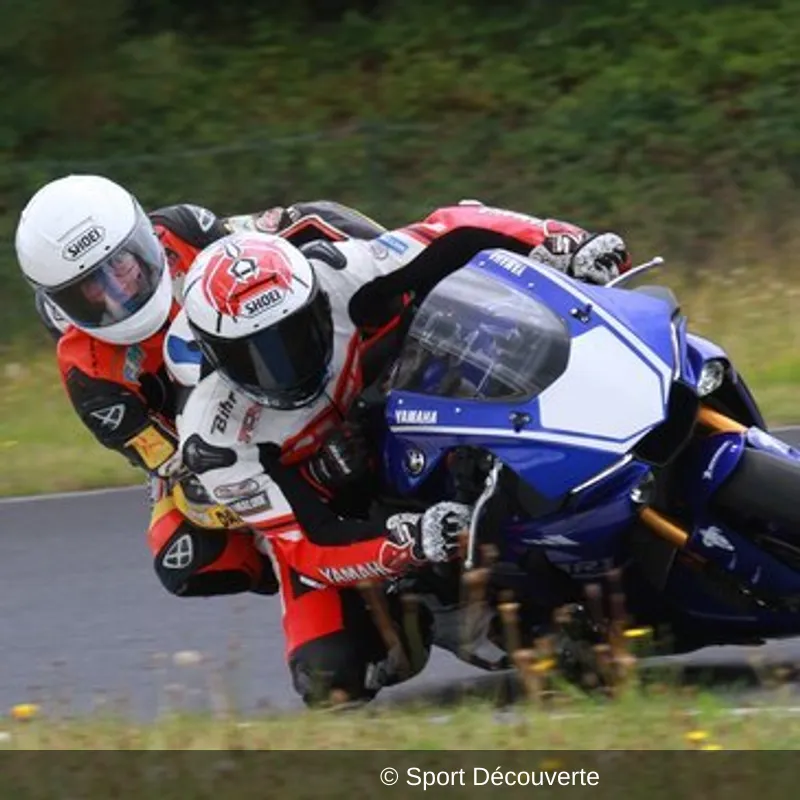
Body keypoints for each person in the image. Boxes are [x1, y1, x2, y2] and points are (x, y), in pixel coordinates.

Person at [172, 203, 632, 705]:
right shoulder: (217, 441)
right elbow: (310, 543)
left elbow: (451, 231)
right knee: (332, 680)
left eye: (295, 334)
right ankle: (455, 616)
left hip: (416, 413)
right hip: (346, 512)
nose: (286, 365)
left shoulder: (338, 273)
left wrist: (560, 240)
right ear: (214, 355)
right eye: (255, 355)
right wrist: (406, 542)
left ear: (315, 301)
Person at [15, 173, 387, 601]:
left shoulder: (185, 228)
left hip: (292, 355)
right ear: (64, 303)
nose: (119, 290)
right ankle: (306, 568)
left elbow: (275, 235)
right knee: (187, 553)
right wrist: (314, 472)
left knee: (314, 218)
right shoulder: (90, 380)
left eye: (120, 264)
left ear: (143, 236)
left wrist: (380, 250)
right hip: (226, 430)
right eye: (92, 286)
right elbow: (186, 470)